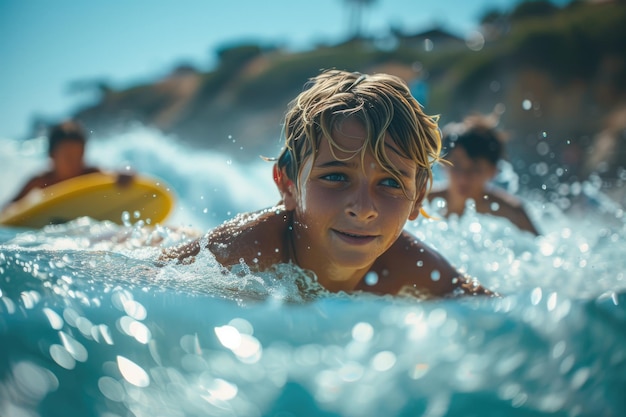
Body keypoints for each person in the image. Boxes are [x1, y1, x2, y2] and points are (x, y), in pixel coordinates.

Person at [160, 70, 495, 298]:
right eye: (336, 176)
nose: (363, 209)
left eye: (391, 182)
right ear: (288, 184)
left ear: (418, 197)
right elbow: (148, 276)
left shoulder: (414, 268)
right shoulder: (244, 250)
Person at [427, 115, 539, 235]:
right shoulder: (423, 202)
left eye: (475, 168)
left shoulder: (512, 214)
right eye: (457, 165)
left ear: (493, 171)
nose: (464, 177)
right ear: (443, 163)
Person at [5, 120, 131, 206]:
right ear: (52, 156)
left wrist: (126, 173)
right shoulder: (41, 180)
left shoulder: (90, 173)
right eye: (68, 157)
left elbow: (119, 173)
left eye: (80, 156)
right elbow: (9, 208)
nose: (75, 163)